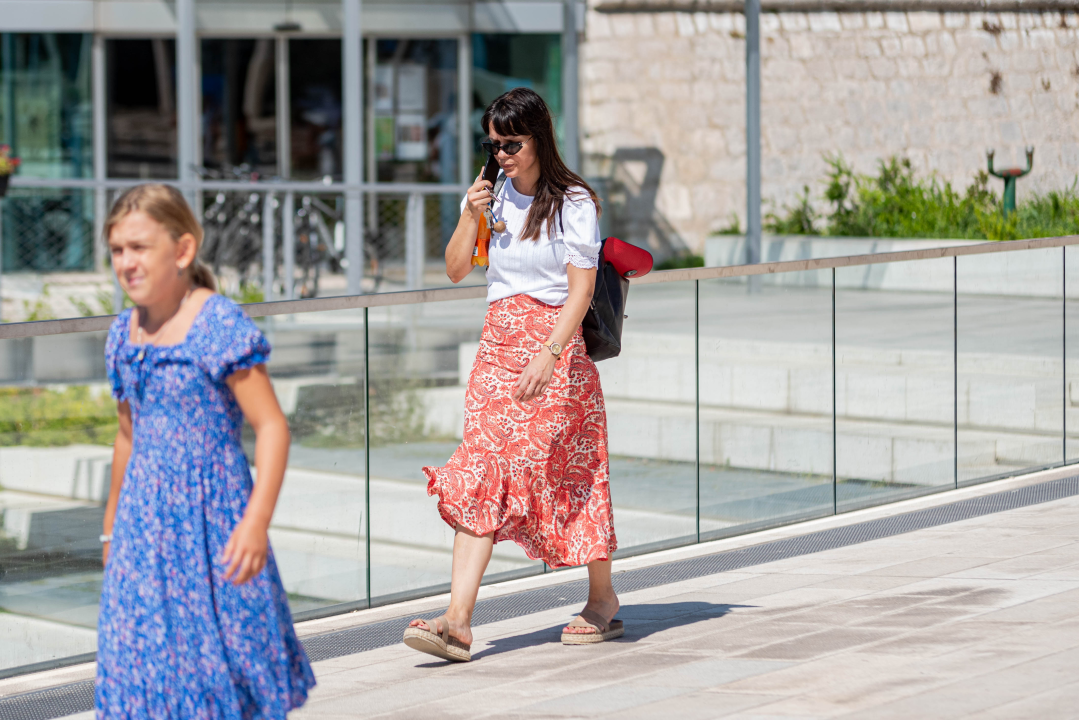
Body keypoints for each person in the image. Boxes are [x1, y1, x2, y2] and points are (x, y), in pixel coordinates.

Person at [404, 88, 622, 663]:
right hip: (497, 348)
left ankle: (602, 598)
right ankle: (457, 621)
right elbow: (456, 269)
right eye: (493, 145)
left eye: (511, 144)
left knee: (574, 471)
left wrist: (549, 355)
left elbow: (580, 291)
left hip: (554, 349)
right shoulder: (492, 194)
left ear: (538, 139)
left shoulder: (574, 201)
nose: (500, 155)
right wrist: (469, 213)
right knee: (480, 468)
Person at [96, 184, 315, 718]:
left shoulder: (217, 324)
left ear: (183, 250)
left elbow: (271, 427)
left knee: (221, 664)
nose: (126, 262)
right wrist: (110, 530)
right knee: (141, 665)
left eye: (139, 247)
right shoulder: (123, 335)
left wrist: (256, 522)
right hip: (142, 528)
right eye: (118, 249)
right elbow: (127, 437)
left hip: (214, 522)